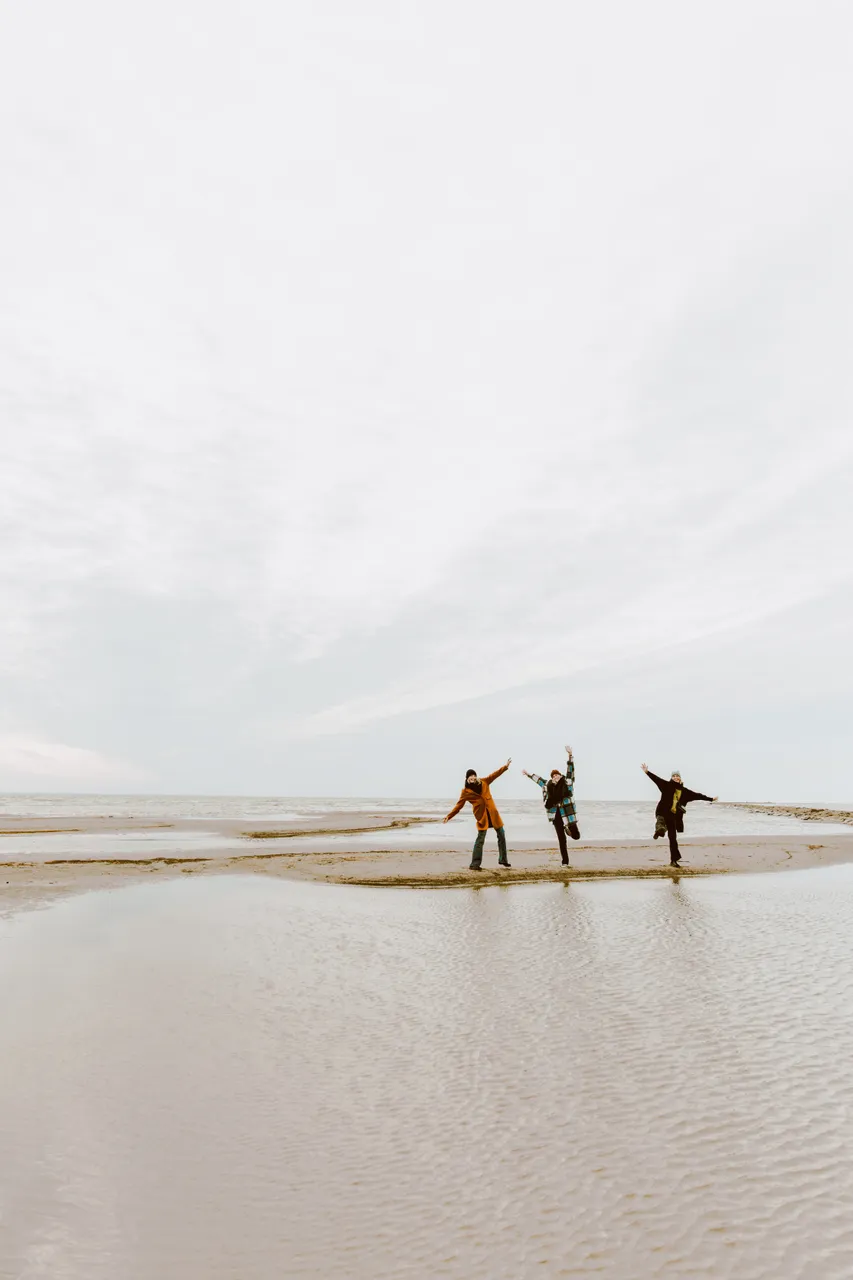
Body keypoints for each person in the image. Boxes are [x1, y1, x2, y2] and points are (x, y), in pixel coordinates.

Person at [641, 763, 718, 867]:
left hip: (672, 816)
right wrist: (647, 772)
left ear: (680, 778)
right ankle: (660, 830)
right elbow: (656, 779)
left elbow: (696, 795)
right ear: (671, 778)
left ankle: (673, 860)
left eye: (678, 776)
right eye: (674, 776)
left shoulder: (683, 791)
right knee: (660, 821)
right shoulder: (666, 785)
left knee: (673, 838)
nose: (676, 777)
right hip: (662, 811)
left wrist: (710, 799)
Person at [443, 759, 512, 870]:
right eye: (470, 776)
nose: (472, 777)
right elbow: (458, 806)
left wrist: (505, 767)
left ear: (476, 776)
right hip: (482, 816)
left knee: (501, 835)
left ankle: (503, 860)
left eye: (474, 775)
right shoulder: (465, 792)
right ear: (467, 779)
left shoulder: (484, 782)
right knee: (480, 839)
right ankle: (475, 864)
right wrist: (449, 816)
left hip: (493, 814)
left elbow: (495, 775)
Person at [522, 746, 580, 866]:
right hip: (556, 815)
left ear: (560, 775)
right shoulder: (548, 786)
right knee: (561, 840)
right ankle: (565, 862)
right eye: (553, 776)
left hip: (567, 814)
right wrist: (528, 775)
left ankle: (568, 831)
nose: (555, 777)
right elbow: (539, 781)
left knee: (576, 836)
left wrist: (570, 755)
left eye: (557, 775)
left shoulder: (567, 783)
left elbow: (570, 771)